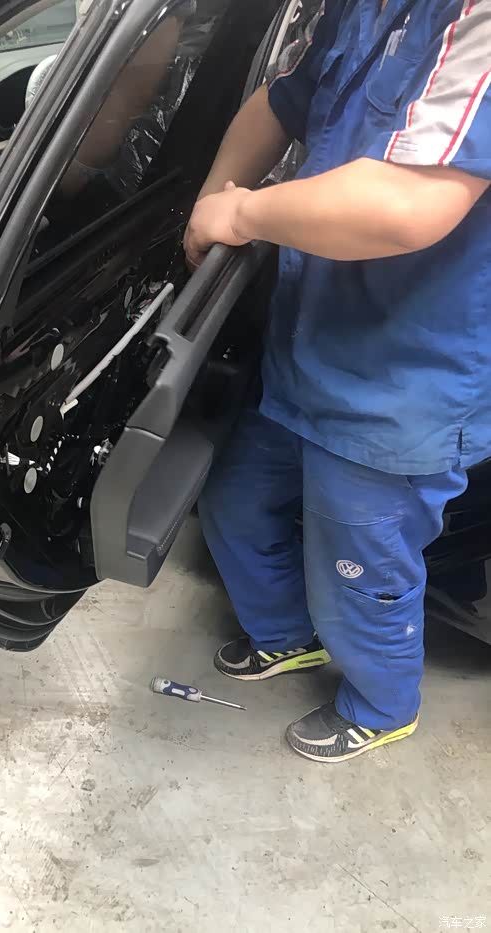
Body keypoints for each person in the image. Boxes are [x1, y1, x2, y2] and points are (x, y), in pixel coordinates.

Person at [184, 0, 491, 762]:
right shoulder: (358, 7)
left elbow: (411, 203)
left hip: (401, 379)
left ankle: (382, 703)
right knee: (233, 500)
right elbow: (279, 102)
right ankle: (287, 635)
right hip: (309, 338)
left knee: (358, 569)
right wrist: (209, 203)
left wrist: (243, 213)